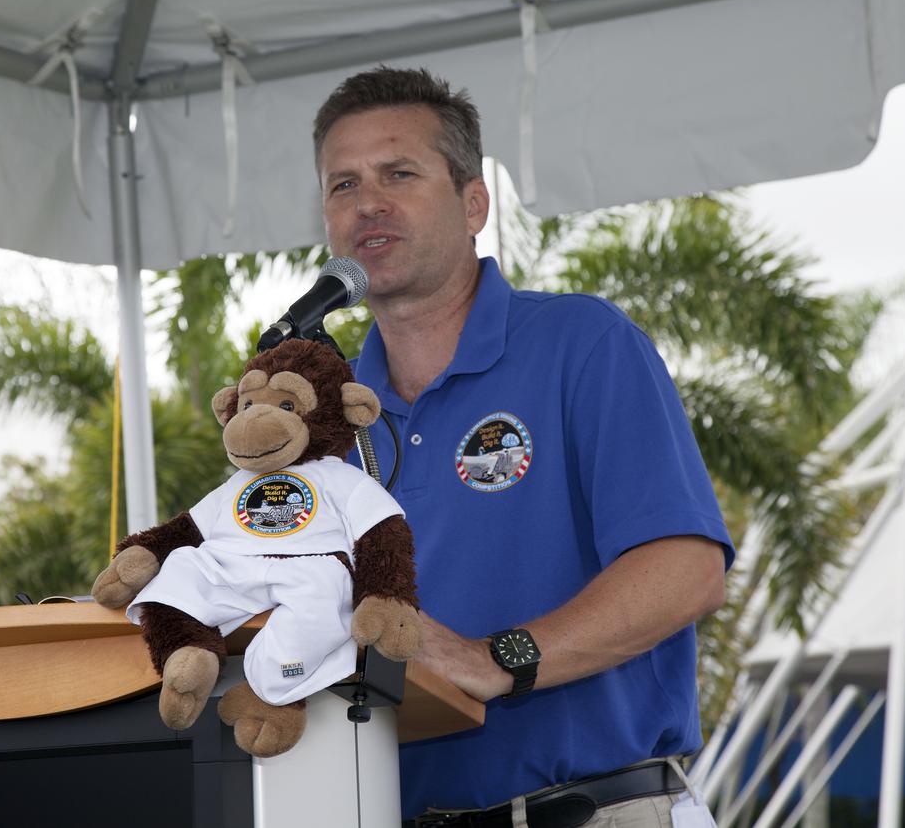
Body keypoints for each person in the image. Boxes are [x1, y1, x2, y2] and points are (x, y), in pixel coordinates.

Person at [312, 66, 734, 827]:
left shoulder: (583, 342)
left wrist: (496, 658)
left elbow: (687, 570)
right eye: (343, 184)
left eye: (398, 173)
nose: (367, 202)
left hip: (596, 810)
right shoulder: (323, 417)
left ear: (474, 203)